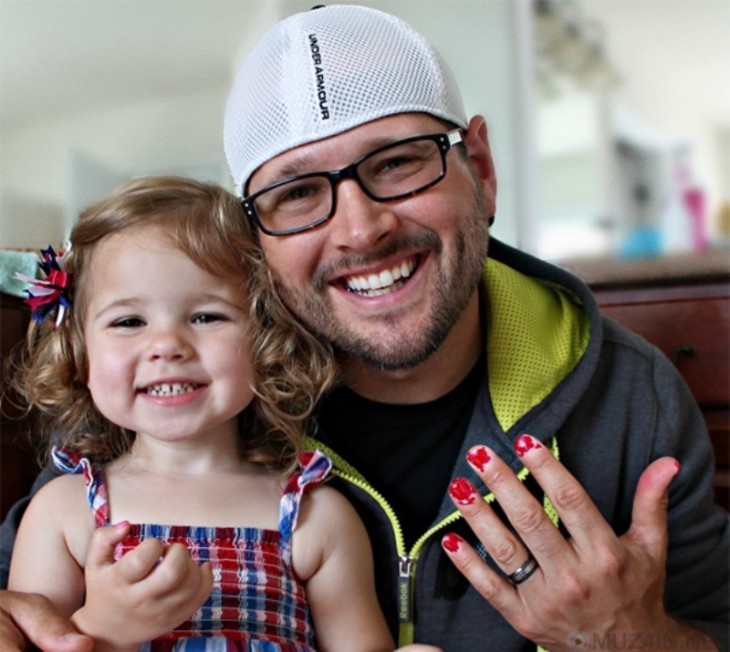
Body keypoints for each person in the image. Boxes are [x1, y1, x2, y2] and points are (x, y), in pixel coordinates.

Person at [1, 4, 728, 651]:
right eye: (296, 193)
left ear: (479, 167)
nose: (361, 228)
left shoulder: (631, 395)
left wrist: (635, 641)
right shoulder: (165, 406)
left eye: (400, 162)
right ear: (256, 241)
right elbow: (25, 604)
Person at [4, 175, 439, 652]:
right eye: (129, 322)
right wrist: (103, 629)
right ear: (80, 353)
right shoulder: (65, 514)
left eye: (206, 317)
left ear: (266, 339)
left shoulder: (315, 518)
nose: (167, 346)